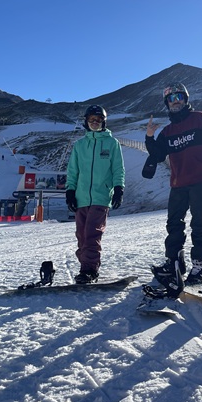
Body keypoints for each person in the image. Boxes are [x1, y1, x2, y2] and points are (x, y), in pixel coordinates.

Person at [145, 83, 202, 285]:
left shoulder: (201, 119)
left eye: (179, 97)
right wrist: (149, 136)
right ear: (167, 103)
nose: (176, 102)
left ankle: (199, 265)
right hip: (178, 183)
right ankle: (174, 262)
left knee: (199, 223)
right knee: (174, 224)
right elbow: (157, 154)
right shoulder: (167, 131)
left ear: (186, 99)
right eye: (171, 99)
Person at [65, 105, 125, 284]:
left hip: (101, 197)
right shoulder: (80, 145)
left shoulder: (111, 143)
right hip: (81, 197)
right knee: (82, 235)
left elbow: (118, 169)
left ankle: (89, 269)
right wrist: (70, 191)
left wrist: (118, 189)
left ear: (103, 123)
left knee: (92, 233)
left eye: (98, 121)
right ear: (86, 122)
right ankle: (86, 266)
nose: (95, 123)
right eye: (92, 120)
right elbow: (73, 171)